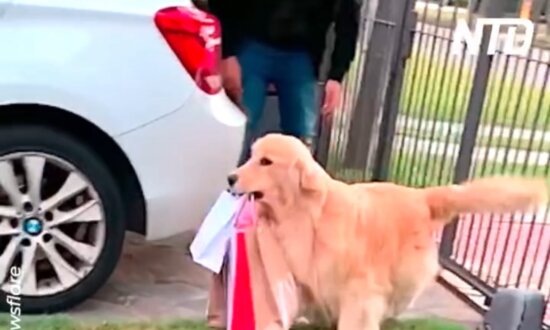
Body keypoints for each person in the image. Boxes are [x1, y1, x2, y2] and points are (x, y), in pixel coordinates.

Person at [209, 0, 361, 165]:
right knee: (237, 125)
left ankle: (291, 188)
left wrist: (336, 76)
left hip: (300, 53)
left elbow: (347, 20)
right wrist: (228, 53)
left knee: (300, 140)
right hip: (253, 41)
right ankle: (223, 182)